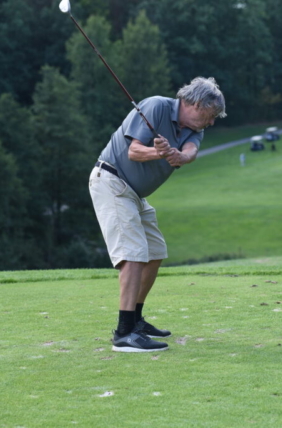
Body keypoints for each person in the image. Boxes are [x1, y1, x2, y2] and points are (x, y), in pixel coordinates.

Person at [89, 77, 226, 353]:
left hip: (135, 194)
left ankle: (136, 321)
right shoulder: (155, 106)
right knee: (133, 254)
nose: (212, 122)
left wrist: (180, 156)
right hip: (112, 181)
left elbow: (191, 151)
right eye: (211, 115)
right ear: (196, 104)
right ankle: (124, 333)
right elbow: (134, 151)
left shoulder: (194, 129)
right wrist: (158, 152)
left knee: (154, 252)